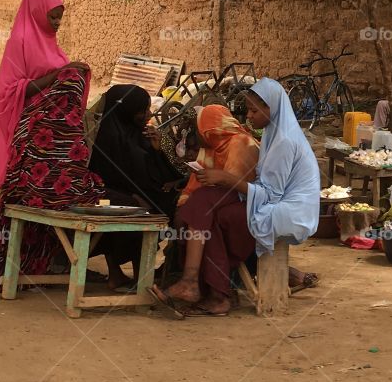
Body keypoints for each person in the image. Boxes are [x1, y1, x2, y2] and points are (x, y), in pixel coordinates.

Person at [159, 80, 320, 315]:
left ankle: (202, 288)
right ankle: (201, 288)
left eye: (254, 111)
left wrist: (226, 178)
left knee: (208, 211)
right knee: (205, 207)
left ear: (272, 108)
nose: (249, 117)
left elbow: (271, 195)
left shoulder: (284, 142)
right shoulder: (273, 135)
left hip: (286, 212)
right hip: (269, 202)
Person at [0, 64, 104, 292]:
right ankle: (63, 264)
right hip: (47, 198)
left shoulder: (29, 117)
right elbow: (74, 172)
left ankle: (37, 268)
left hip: (18, 195)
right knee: (99, 193)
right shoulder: (70, 123)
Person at [0, 0, 90, 193]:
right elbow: (9, 90)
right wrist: (61, 73)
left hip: (53, 123)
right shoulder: (19, 41)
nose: (57, 22)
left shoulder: (51, 44)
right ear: (37, 14)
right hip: (31, 119)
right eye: (53, 17)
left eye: (59, 18)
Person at [88, 84, 186, 289]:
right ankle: (136, 277)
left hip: (135, 195)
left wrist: (158, 150)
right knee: (145, 209)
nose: (149, 114)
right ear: (126, 110)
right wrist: (135, 196)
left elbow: (159, 176)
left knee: (166, 202)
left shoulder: (138, 135)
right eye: (142, 110)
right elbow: (113, 178)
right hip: (113, 198)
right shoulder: (109, 139)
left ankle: (125, 275)